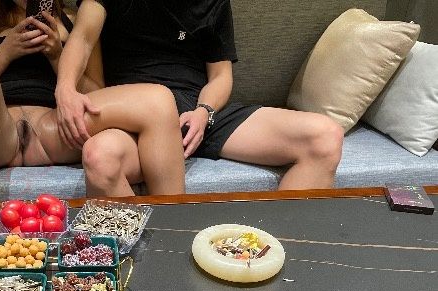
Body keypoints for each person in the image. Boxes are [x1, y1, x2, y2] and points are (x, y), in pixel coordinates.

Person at [56, 0, 345, 192]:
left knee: (324, 137)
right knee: (100, 157)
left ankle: (269, 256)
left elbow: (221, 76)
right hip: (139, 119)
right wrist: (65, 88)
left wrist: (204, 111)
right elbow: (82, 37)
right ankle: (149, 258)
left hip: (197, 111)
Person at [0, 0, 186, 203]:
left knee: (158, 99)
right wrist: (6, 51)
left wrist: (56, 55)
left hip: (55, 128)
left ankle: (176, 216)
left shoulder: (74, 20)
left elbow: (95, 90)